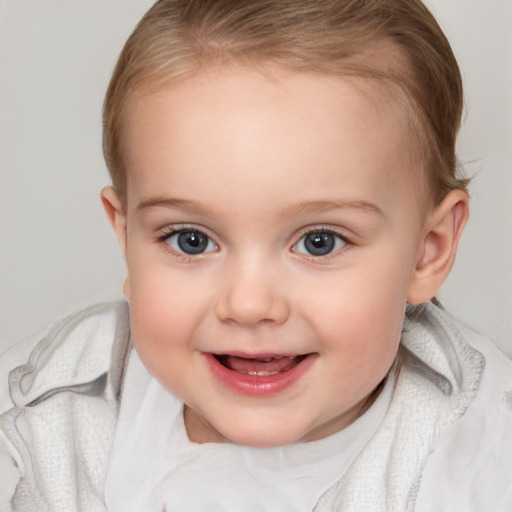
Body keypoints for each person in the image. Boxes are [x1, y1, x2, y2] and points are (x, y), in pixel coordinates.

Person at [1, 0, 511, 510]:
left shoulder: (479, 456)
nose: (247, 305)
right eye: (190, 240)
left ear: (428, 251)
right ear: (127, 238)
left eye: (320, 242)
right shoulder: (41, 404)